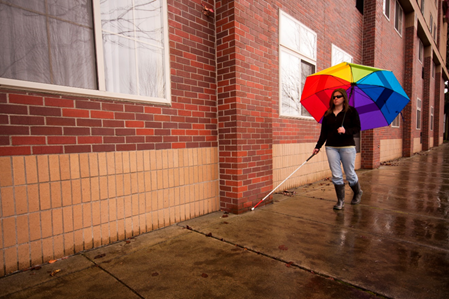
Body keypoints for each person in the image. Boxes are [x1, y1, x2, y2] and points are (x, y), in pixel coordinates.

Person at [312, 88, 362, 210]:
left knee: (350, 173)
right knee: (336, 174)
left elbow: (357, 128)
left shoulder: (351, 112)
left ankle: (357, 192)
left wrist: (346, 131)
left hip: (347, 147)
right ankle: (340, 201)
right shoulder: (327, 114)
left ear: (344, 98)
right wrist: (318, 146)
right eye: (334, 97)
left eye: (338, 96)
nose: (335, 99)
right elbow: (323, 133)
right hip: (331, 147)